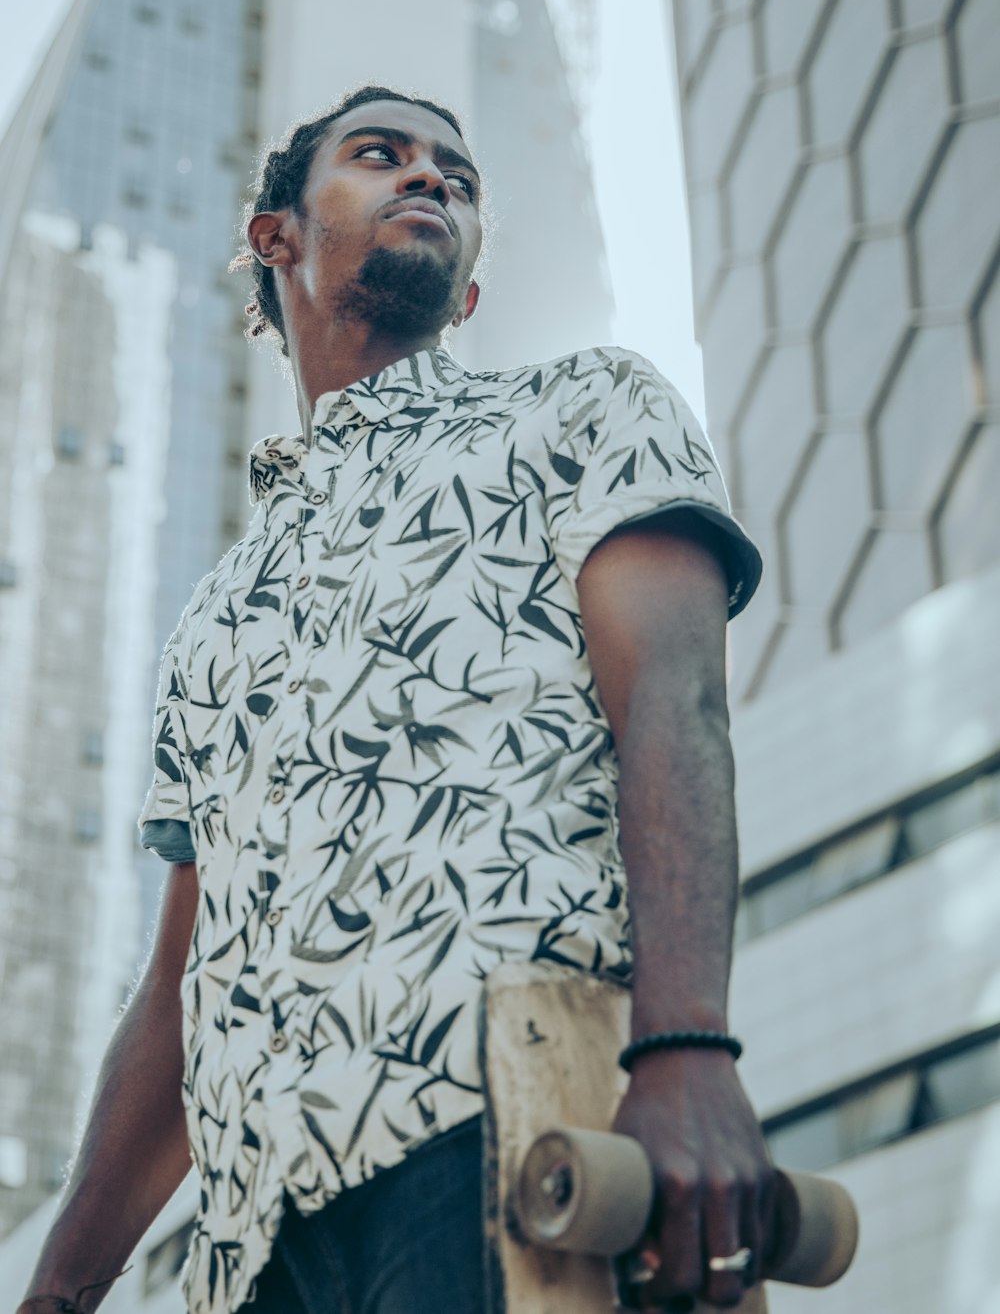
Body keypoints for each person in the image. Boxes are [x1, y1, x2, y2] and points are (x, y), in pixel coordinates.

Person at [18, 84, 774, 1314]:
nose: (429, 179)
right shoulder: (215, 618)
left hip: (499, 1127)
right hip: (252, 1240)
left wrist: (687, 1048)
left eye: (457, 179)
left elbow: (677, 710)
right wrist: (56, 1291)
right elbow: (176, 981)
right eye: (382, 157)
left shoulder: (584, 409)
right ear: (276, 238)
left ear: (466, 293)